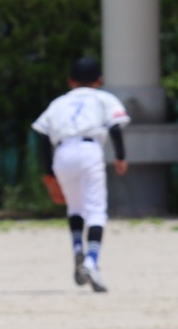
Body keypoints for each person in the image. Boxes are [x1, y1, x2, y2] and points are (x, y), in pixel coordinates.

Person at [32, 56, 130, 293]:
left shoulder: (59, 103)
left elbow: (43, 135)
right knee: (96, 210)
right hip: (89, 150)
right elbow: (115, 127)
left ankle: (78, 247)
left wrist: (49, 173)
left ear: (70, 81)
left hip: (62, 153)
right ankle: (91, 262)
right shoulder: (103, 97)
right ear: (100, 80)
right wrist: (120, 156)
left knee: (75, 208)